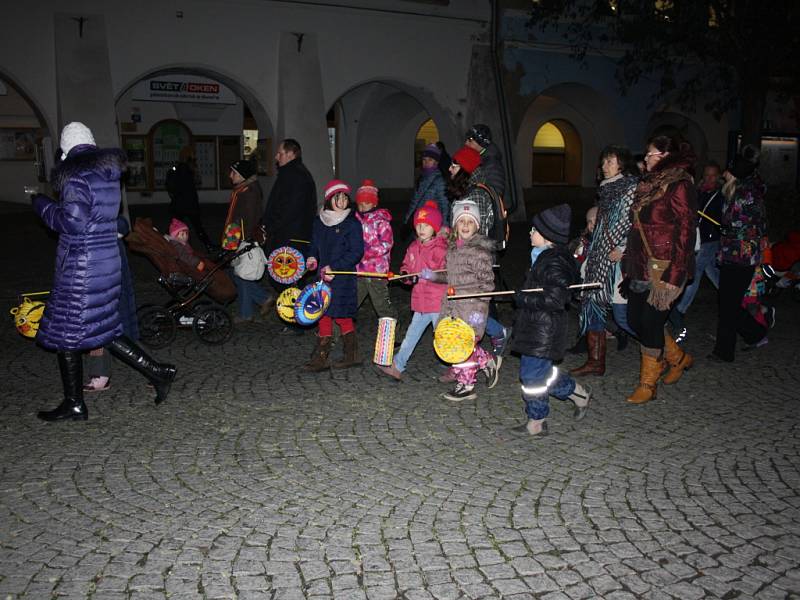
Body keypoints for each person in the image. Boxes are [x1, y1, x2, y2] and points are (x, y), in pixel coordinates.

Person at [32, 122, 176, 422]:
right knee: (104, 329)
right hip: (107, 261)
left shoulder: (75, 174)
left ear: (66, 148)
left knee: (66, 333)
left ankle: (74, 403)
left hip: (81, 267)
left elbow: (72, 223)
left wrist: (42, 204)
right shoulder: (108, 173)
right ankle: (158, 372)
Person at [621, 135, 697, 404]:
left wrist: (676, 274)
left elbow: (686, 232)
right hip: (642, 265)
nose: (646, 158)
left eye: (651, 154)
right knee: (634, 319)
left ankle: (648, 384)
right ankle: (678, 358)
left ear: (665, 156)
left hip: (666, 266)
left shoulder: (679, 186)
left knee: (652, 322)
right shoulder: (649, 184)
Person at [511, 204, 592, 436]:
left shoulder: (553, 261)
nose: (529, 233)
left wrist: (524, 299)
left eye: (534, 230)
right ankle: (578, 393)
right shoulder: (543, 256)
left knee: (531, 377)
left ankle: (537, 421)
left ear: (547, 237)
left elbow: (555, 298)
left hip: (543, 329)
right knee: (543, 374)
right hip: (536, 326)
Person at [571, 145, 638, 377]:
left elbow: (634, 225)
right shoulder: (607, 189)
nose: (605, 166)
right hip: (600, 258)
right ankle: (596, 362)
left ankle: (665, 350)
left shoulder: (630, 189)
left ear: (621, 164)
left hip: (618, 262)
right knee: (593, 307)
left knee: (623, 315)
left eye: (610, 161)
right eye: (603, 162)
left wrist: (623, 249)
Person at [446, 146, 512, 367]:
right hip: (464, 256)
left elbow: (479, 229)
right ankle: (484, 341)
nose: (450, 168)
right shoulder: (468, 190)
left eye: (454, 164)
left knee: (478, 308)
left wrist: (466, 251)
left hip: (476, 257)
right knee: (471, 308)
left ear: (464, 168)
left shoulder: (477, 193)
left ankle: (488, 341)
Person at [709, 145, 770, 362]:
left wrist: (728, 229)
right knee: (729, 303)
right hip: (732, 254)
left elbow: (753, 225)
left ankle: (724, 352)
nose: (724, 174)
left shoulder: (747, 193)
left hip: (741, 256)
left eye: (728, 170)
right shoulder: (739, 191)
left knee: (728, 304)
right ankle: (756, 333)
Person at [376, 201, 448, 380]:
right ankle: (398, 366)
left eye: (426, 225)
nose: (422, 228)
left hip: (438, 303)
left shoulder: (441, 248)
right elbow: (407, 266)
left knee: (444, 338)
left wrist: (433, 276)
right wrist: (405, 275)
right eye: (419, 225)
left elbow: (447, 274)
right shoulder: (413, 247)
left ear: (435, 227)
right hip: (421, 302)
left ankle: (461, 365)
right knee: (410, 336)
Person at [436, 200, 497, 401]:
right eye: (461, 221)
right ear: (455, 225)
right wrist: (434, 277)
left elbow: (487, 283)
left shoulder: (479, 252)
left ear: (477, 226)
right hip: (454, 305)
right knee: (459, 340)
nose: (465, 225)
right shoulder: (453, 249)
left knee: (462, 344)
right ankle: (486, 360)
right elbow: (451, 276)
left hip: (473, 308)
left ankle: (467, 384)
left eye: (470, 222)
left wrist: (480, 304)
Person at [304, 180, 365, 371]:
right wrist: (312, 257)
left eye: (345, 197)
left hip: (342, 276)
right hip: (323, 276)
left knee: (341, 315)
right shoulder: (319, 221)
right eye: (338, 197)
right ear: (330, 199)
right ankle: (321, 356)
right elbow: (313, 243)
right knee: (322, 313)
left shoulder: (352, 223)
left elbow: (356, 252)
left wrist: (335, 267)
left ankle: (351, 354)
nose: (342, 200)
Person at [261, 138, 317, 324]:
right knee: (284, 278)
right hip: (288, 235)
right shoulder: (290, 173)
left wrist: (271, 227)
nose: (276, 157)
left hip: (292, 237)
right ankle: (296, 316)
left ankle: (298, 319)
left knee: (287, 279)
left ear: (291, 154)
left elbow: (289, 210)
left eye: (280, 153)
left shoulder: (296, 176)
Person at [83, 215, 141, 393]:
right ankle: (99, 373)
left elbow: (122, 224)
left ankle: (155, 370)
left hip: (109, 268)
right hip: (91, 268)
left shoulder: (102, 201)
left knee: (120, 326)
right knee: (97, 326)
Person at [669, 161, 724, 344]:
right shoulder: (698, 193)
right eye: (706, 175)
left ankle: (679, 312)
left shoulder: (722, 195)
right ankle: (739, 299)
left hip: (710, 240)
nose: (708, 178)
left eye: (712, 175)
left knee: (694, 272)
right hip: (699, 238)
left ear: (718, 177)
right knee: (714, 274)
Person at [223, 159, 268, 323]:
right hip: (239, 237)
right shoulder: (243, 189)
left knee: (241, 274)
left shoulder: (248, 192)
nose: (230, 175)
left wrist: (240, 241)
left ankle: (249, 310)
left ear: (242, 175)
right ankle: (255, 304)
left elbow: (247, 219)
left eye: (233, 172)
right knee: (239, 274)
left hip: (244, 239)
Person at [354, 179, 398, 322]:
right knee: (350, 301)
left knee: (381, 304)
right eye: (360, 203)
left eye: (366, 202)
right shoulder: (355, 220)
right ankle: (340, 332)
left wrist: (365, 252)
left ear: (374, 203)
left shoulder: (381, 221)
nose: (363, 206)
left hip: (376, 271)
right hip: (359, 270)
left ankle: (393, 333)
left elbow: (386, 244)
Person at [165, 146, 215, 251]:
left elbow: (173, 186)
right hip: (189, 204)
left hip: (179, 204)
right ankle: (208, 246)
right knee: (197, 226)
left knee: (175, 226)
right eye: (193, 154)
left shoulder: (178, 168)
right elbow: (195, 184)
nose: (195, 156)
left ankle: (168, 246)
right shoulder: (188, 168)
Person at [404, 144, 448, 230]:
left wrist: (444, 226)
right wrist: (407, 219)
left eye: (430, 160)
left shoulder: (439, 180)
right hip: (419, 219)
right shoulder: (422, 178)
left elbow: (444, 205)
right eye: (424, 159)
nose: (426, 162)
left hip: (431, 222)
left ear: (436, 162)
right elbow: (415, 201)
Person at [465, 124, 505, 199]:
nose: (466, 143)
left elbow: (495, 193)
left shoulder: (492, 163)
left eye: (470, 140)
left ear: (481, 142)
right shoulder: (477, 159)